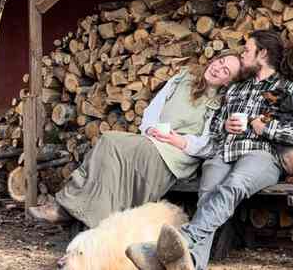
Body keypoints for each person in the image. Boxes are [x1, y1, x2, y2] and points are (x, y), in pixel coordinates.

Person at [127, 30, 293, 270]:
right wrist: (225, 125)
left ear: (262, 54)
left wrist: (266, 127)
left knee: (233, 185)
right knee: (208, 195)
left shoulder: (286, 88)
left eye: (247, 50)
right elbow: (215, 127)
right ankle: (193, 263)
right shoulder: (236, 89)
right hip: (225, 153)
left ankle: (179, 241)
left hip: (261, 156)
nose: (242, 54)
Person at [28, 53, 242, 229]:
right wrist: (150, 128)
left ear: (228, 82)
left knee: (111, 142)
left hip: (175, 155)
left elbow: (208, 143)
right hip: (150, 140)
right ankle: (94, 221)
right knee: (110, 152)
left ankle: (66, 207)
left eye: (226, 71)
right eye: (220, 61)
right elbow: (153, 109)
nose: (218, 68)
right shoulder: (182, 77)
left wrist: (178, 140)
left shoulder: (219, 104)